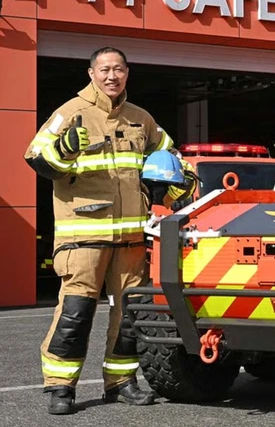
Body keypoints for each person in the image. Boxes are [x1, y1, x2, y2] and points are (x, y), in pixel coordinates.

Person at [23, 46, 185, 415]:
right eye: (104, 69)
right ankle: (61, 387)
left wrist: (181, 181)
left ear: (127, 73)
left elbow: (169, 161)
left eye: (119, 69)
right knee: (76, 312)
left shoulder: (141, 119)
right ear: (91, 73)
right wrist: (63, 149)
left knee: (129, 315)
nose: (112, 76)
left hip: (131, 239)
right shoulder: (70, 113)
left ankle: (121, 382)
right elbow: (36, 157)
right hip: (83, 236)